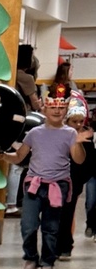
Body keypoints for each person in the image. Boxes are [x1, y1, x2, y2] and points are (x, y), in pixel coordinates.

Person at [0, 87, 87, 269]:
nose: (56, 111)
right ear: (45, 110)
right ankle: (31, 258)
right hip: (34, 184)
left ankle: (47, 262)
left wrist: (78, 142)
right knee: (28, 225)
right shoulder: (34, 133)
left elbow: (79, 160)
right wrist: (4, 156)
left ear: (65, 111)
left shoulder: (70, 134)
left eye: (61, 108)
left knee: (51, 227)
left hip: (58, 185)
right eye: (52, 107)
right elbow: (19, 156)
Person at [56, 98, 96, 259]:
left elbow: (89, 162)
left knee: (67, 212)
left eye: (81, 121)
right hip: (55, 177)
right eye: (74, 121)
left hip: (74, 180)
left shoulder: (86, 136)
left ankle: (64, 246)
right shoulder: (57, 133)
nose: (78, 124)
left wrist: (79, 181)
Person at [15, 44, 41, 112]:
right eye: (32, 57)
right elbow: (35, 105)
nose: (33, 60)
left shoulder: (12, 73)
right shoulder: (27, 78)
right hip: (24, 112)